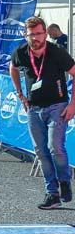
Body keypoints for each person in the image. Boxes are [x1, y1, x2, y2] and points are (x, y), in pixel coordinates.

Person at [10, 16, 75, 209]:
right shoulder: (21, 52)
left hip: (57, 106)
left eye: (39, 34)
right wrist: (20, 94)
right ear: (25, 35)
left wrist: (72, 105)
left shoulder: (56, 52)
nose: (35, 38)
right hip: (33, 107)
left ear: (45, 33)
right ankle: (52, 193)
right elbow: (12, 68)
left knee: (55, 146)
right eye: (31, 35)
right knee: (41, 151)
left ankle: (64, 181)